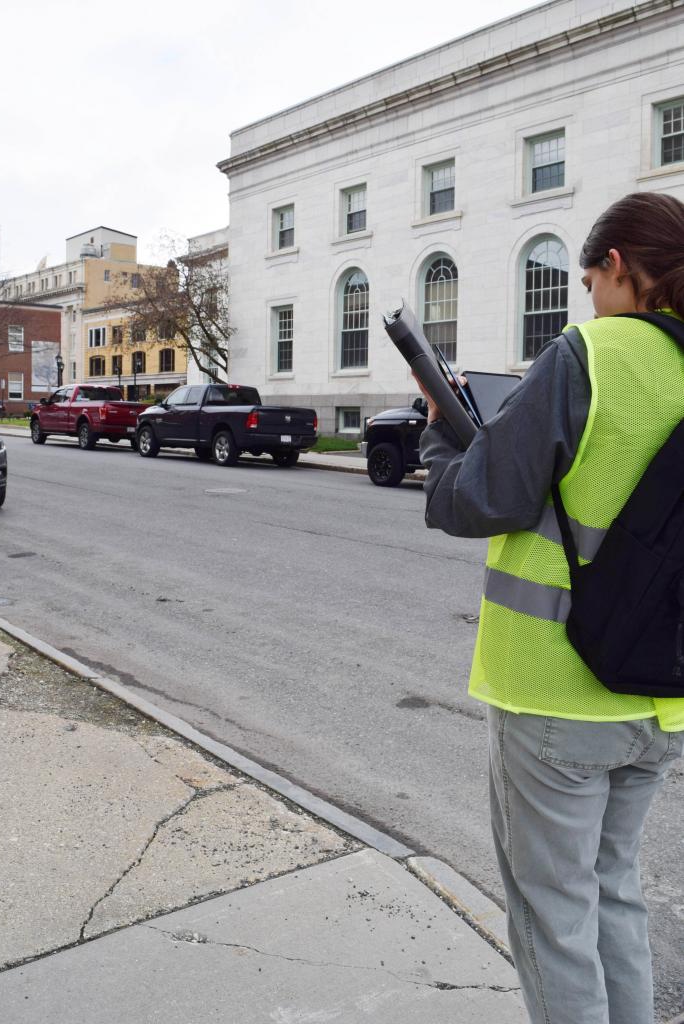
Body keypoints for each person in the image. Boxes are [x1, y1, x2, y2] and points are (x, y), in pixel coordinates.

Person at [418, 191, 684, 1024]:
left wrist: (440, 432)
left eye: (588, 280)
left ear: (615, 268)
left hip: (555, 696)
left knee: (553, 916)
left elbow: (477, 500)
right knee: (614, 897)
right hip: (663, 699)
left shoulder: (588, 356)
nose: (588, 301)